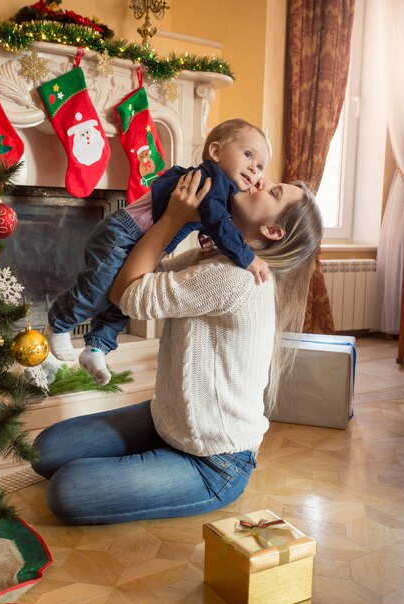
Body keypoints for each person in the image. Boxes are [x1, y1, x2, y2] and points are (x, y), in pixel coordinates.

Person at [31, 169, 323, 526]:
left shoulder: (234, 278)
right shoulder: (220, 260)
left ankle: (168, 472)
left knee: (68, 491)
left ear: (273, 231)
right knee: (43, 451)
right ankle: (153, 457)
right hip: (168, 421)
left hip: (214, 462)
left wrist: (172, 218)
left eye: (274, 192)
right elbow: (145, 270)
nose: (259, 180)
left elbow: (127, 294)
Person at [45, 118, 271, 385]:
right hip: (122, 232)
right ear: (216, 152)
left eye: (259, 167)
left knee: (123, 299)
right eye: (247, 155)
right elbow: (216, 220)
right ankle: (59, 322)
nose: (253, 170)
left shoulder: (220, 192)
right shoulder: (210, 179)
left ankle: (97, 347)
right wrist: (246, 257)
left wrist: (208, 240)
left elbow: (212, 221)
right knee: (97, 290)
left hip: (145, 244)